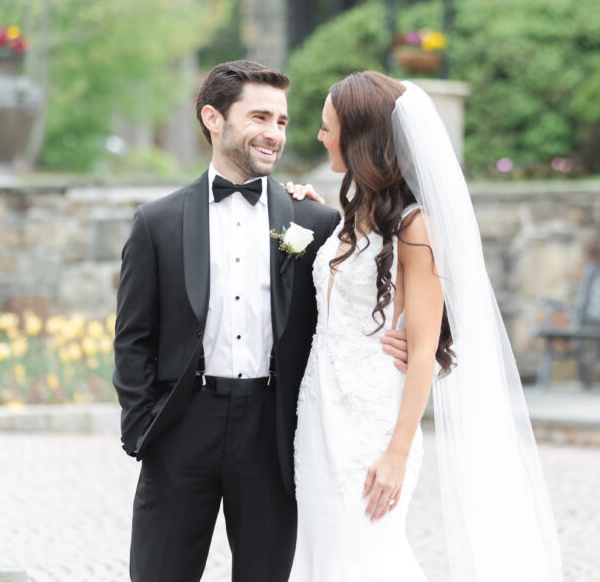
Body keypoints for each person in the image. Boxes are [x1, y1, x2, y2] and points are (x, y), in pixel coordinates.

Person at [112, 60, 408, 582]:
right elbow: (132, 338)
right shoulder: (155, 223)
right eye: (260, 117)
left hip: (275, 437)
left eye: (283, 121)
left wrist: (407, 345)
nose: (275, 134)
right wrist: (144, 428)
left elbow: (368, 301)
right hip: (183, 427)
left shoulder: (315, 222)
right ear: (213, 118)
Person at [289, 71, 563, 581]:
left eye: (328, 127)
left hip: (370, 422)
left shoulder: (416, 227)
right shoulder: (355, 212)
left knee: (364, 555)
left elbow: (420, 351)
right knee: (322, 552)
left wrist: (395, 454)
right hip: (318, 409)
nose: (320, 136)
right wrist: (313, 212)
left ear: (361, 138)